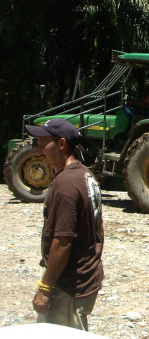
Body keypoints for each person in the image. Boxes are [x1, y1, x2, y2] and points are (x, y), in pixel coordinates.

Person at [26, 119, 104, 331]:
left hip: (70, 285)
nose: (39, 150)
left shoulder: (65, 184)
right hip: (84, 277)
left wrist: (45, 287)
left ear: (61, 144)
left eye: (43, 143)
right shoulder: (85, 175)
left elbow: (62, 242)